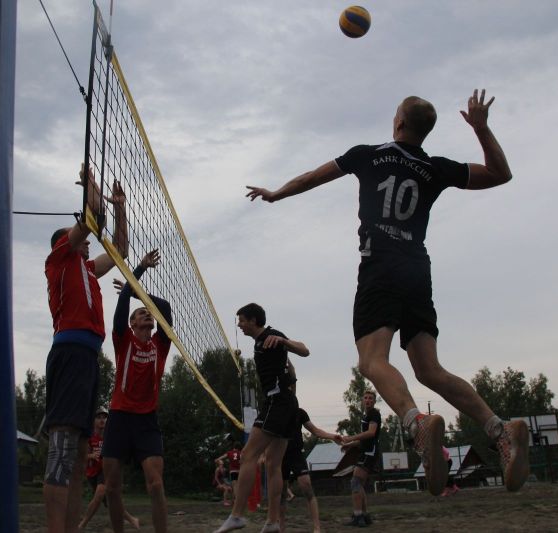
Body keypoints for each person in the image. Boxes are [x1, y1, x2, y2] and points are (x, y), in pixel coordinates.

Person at [244, 90, 529, 496]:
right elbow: (500, 174)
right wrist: (481, 129)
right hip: (417, 270)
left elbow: (311, 178)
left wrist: (276, 193)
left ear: (398, 123)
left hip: (380, 268)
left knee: (372, 360)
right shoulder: (435, 167)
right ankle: (499, 431)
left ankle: (416, 423)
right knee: (429, 369)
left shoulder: (367, 155)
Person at [43, 165, 127, 533]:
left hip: (88, 359)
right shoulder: (59, 259)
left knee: (78, 454)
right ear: (65, 242)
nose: (88, 242)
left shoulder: (88, 269)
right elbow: (92, 221)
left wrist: (120, 209)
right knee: (62, 450)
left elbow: (120, 250)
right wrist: (92, 187)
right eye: (81, 237)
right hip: (70, 354)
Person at [214, 303, 310, 533]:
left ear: (254, 320)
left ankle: (237, 515)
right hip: (286, 403)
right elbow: (287, 369)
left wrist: (284, 342)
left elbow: (305, 350)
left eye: (242, 320)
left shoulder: (271, 335)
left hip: (278, 403)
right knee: (273, 464)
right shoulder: (259, 342)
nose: (239, 325)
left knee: (248, 455)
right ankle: (273, 521)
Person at [102, 250, 172, 533]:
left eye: (148, 313)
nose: (148, 314)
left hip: (146, 420)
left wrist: (137, 294)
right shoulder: (123, 339)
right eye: (142, 313)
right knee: (111, 487)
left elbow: (164, 306)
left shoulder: (160, 344)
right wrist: (139, 269)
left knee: (155, 484)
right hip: (119, 417)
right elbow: (122, 304)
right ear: (132, 323)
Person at [279, 401, 342, 533]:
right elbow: (267, 435)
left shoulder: (300, 413)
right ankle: (281, 527)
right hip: (280, 455)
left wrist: (332, 436)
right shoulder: (276, 412)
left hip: (296, 454)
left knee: (307, 486)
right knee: (282, 493)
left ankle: (316, 527)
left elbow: (315, 430)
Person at [78, 411, 140, 531]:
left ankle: (82, 524)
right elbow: (81, 456)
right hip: (92, 473)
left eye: (104, 418)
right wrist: (91, 455)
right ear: (93, 421)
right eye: (99, 417)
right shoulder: (89, 437)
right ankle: (132, 519)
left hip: (105, 470)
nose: (102, 420)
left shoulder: (110, 437)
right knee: (111, 502)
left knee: (100, 494)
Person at [340, 391, 381, 527]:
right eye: (366, 398)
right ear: (362, 400)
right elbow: (364, 439)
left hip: (370, 453)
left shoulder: (374, 414)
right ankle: (364, 515)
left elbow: (371, 433)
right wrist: (350, 445)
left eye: (371, 398)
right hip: (365, 452)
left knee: (355, 482)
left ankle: (358, 516)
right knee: (359, 484)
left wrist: (351, 438)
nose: (368, 400)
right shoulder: (366, 415)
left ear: (374, 401)